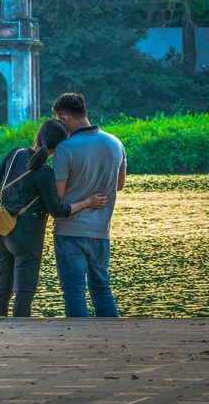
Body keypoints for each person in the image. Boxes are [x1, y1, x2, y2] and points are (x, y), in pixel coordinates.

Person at [0, 119, 107, 317]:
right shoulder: (44, 172)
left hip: (1, 231)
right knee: (24, 294)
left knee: (2, 290)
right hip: (26, 237)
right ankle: (20, 336)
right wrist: (88, 202)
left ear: (39, 134)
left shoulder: (15, 153)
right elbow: (57, 210)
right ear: (59, 146)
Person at [52, 92, 126, 317]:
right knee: (102, 288)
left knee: (74, 291)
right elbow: (119, 185)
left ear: (64, 118)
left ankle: (78, 341)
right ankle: (112, 339)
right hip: (101, 231)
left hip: (69, 231)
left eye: (57, 118)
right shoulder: (115, 143)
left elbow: (59, 196)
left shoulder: (65, 149)